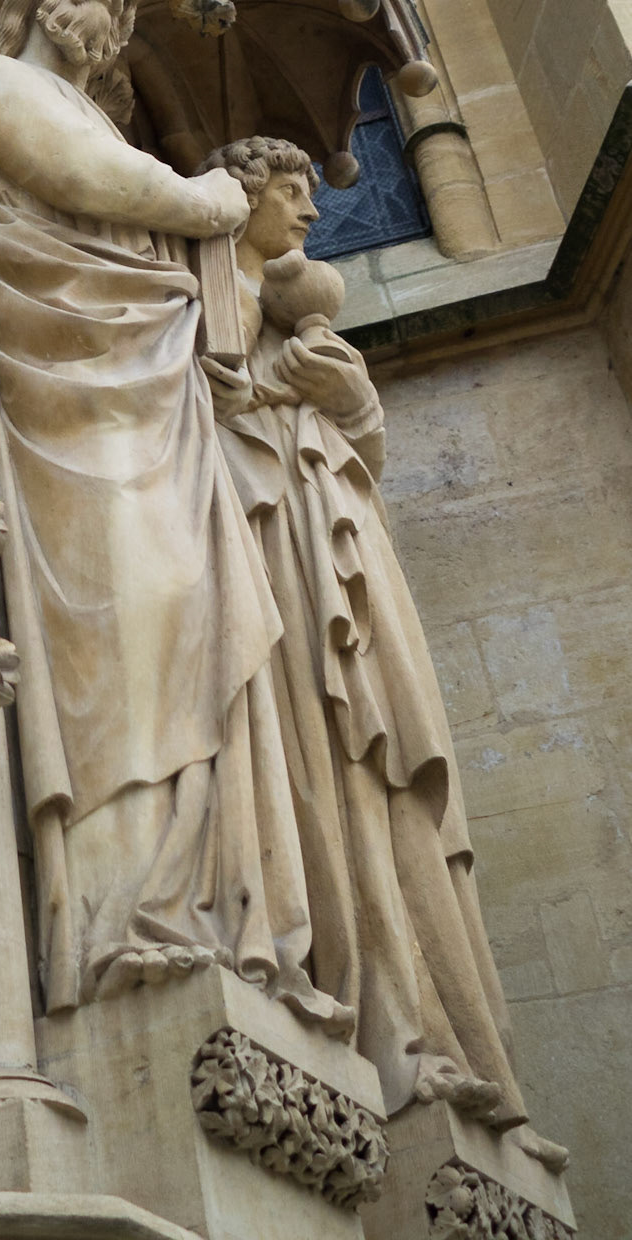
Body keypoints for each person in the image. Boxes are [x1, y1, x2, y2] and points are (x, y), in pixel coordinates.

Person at [0, 0, 347, 1024]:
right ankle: (124, 912)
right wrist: (211, 202)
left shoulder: (93, 114)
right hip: (68, 404)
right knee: (118, 625)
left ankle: (206, 907)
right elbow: (82, 175)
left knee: (187, 612)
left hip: (150, 390)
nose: (107, 5)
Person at [199, 137, 563, 1163]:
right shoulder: (219, 331)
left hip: (355, 596)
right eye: (289, 189)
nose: (310, 208)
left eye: (314, 188)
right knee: (334, 797)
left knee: (400, 797)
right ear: (240, 197)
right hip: (289, 600)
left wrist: (351, 404)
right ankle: (390, 1032)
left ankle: (452, 1044)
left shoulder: (308, 347)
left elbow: (354, 462)